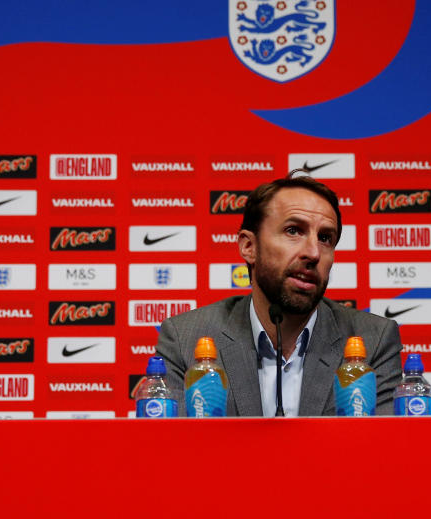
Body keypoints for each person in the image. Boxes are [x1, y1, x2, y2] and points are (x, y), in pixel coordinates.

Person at [156, 174, 402, 416]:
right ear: (249, 247)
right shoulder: (185, 338)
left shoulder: (374, 340)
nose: (313, 253)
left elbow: (378, 449)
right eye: (293, 231)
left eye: (325, 238)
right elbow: (175, 450)